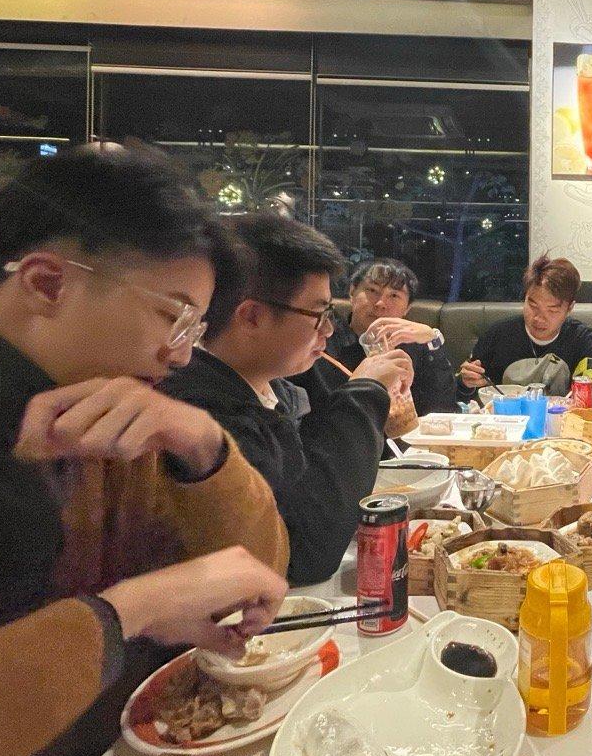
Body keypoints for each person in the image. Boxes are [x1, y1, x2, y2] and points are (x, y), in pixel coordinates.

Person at [0, 149, 290, 756]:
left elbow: (259, 585)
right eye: (173, 317)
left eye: (193, 330)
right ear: (46, 283)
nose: (183, 354)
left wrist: (204, 448)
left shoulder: (110, 421)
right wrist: (123, 615)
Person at [161, 215, 412, 586]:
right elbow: (306, 551)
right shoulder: (202, 411)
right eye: (318, 314)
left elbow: (305, 485)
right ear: (252, 316)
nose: (329, 329)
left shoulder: (266, 390)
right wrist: (366, 390)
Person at [310, 257, 457, 415]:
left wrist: (432, 340)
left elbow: (443, 408)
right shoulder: (322, 340)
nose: (380, 304)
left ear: (407, 308)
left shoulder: (416, 345)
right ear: (352, 292)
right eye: (372, 290)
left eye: (394, 296)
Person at [457, 254, 592, 398]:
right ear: (525, 297)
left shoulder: (584, 340)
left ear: (570, 308)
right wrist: (466, 382)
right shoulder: (497, 335)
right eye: (533, 305)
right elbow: (463, 394)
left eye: (552, 310)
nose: (539, 318)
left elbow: (591, 395)